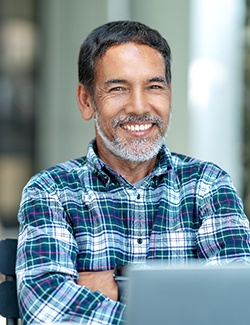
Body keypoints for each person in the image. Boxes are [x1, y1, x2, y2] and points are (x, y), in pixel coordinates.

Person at [16, 20, 250, 325]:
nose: (139, 107)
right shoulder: (51, 191)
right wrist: (177, 309)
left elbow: (236, 300)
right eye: (118, 88)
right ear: (86, 101)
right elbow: (47, 306)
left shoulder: (208, 185)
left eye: (154, 86)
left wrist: (117, 282)